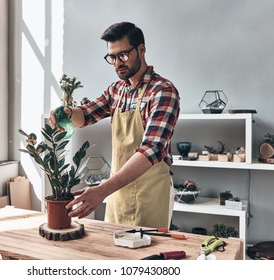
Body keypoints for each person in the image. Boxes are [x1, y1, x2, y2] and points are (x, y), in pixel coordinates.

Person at [49, 22, 180, 228]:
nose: (118, 63)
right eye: (112, 57)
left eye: (124, 55)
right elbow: (85, 115)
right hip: (117, 194)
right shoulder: (116, 90)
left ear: (142, 50)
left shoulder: (163, 91)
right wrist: (68, 112)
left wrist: (101, 191)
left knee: (145, 256)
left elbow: (150, 150)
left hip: (150, 195)